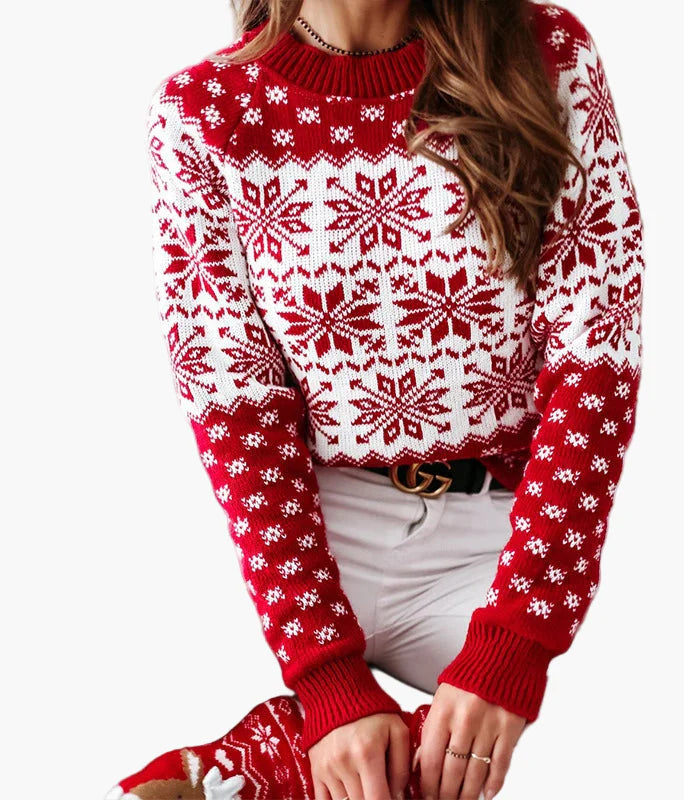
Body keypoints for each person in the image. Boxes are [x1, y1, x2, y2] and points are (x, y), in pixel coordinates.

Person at [109, 0, 645, 797]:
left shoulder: (546, 54)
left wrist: (516, 641)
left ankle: (264, 766)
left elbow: (595, 362)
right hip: (320, 525)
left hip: (499, 525)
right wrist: (326, 677)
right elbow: (238, 412)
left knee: (607, 706)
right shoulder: (204, 112)